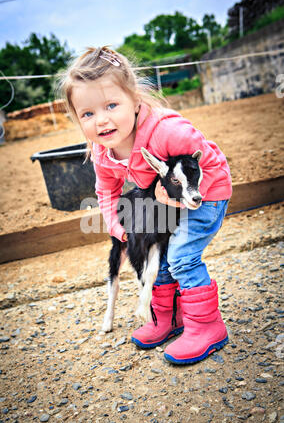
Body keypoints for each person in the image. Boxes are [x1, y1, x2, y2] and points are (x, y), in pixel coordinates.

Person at [58, 46, 232, 364]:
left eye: (112, 105)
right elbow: (107, 192)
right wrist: (115, 224)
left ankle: (208, 326)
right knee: (157, 253)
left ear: (135, 100)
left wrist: (184, 195)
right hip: (170, 199)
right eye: (88, 113)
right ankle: (169, 318)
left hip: (207, 192)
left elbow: (204, 161)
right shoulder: (101, 152)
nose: (102, 120)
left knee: (180, 255)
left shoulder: (168, 132)